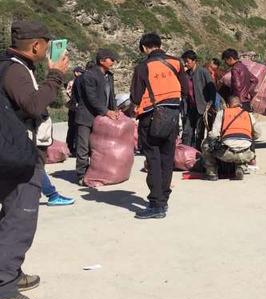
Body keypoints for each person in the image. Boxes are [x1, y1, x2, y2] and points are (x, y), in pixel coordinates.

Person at [0, 20, 68, 299]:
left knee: (10, 216)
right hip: (20, 157)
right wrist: (55, 77)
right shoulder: (15, 70)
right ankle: (3, 287)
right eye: (45, 43)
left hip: (9, 153)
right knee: (20, 219)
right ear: (37, 46)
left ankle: (9, 272)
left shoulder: (10, 65)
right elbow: (33, 105)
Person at [130, 33, 188, 219]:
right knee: (167, 159)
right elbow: (185, 91)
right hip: (172, 116)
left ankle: (156, 204)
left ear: (145, 48)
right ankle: (164, 199)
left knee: (153, 160)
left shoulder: (143, 67)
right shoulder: (177, 63)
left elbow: (136, 97)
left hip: (151, 118)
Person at [73, 49, 119, 185]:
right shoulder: (89, 75)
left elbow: (111, 95)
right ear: (102, 61)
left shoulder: (109, 76)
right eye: (111, 59)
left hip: (102, 117)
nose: (113, 62)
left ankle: (96, 172)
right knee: (84, 147)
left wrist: (114, 109)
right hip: (86, 117)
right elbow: (91, 98)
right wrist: (106, 111)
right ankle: (81, 175)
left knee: (99, 147)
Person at [201, 96, 261, 181]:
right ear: (240, 105)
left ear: (228, 105)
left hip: (227, 154)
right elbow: (258, 133)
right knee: (245, 144)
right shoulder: (248, 114)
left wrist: (219, 139)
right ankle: (240, 167)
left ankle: (212, 173)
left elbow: (213, 135)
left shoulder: (222, 113)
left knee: (206, 144)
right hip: (247, 154)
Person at [181, 50, 217, 148]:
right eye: (184, 61)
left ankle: (197, 153)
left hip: (202, 108)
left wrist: (210, 104)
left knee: (199, 133)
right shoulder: (186, 74)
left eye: (187, 61)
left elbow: (212, 89)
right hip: (190, 108)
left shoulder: (203, 72)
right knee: (187, 132)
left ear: (194, 61)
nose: (185, 63)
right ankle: (186, 152)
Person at [65, 66, 84, 155]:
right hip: (73, 109)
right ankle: (70, 147)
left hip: (77, 108)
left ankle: (74, 148)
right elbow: (69, 93)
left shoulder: (80, 82)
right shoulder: (72, 83)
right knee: (72, 129)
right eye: (80, 72)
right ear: (76, 73)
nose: (82, 74)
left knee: (76, 129)